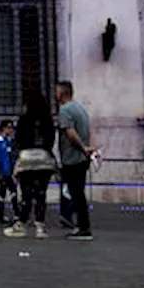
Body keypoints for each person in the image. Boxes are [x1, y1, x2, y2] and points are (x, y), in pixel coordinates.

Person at [4, 92, 57, 240]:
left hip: (26, 158)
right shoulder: (47, 119)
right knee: (41, 193)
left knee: (26, 193)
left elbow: (19, 140)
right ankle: (40, 226)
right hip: (44, 158)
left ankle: (21, 223)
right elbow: (51, 139)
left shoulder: (24, 119)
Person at [56, 81, 96, 241]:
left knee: (75, 193)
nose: (55, 95)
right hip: (82, 158)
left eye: (57, 91)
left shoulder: (65, 110)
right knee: (77, 192)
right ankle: (80, 225)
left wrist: (82, 147)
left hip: (72, 158)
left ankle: (82, 228)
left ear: (62, 93)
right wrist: (90, 147)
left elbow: (71, 133)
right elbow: (90, 130)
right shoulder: (81, 109)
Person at [0, 119, 18, 222]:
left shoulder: (9, 141)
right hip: (4, 171)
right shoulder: (0, 142)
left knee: (2, 193)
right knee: (12, 192)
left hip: (8, 170)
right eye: (9, 127)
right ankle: (16, 213)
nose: (11, 130)